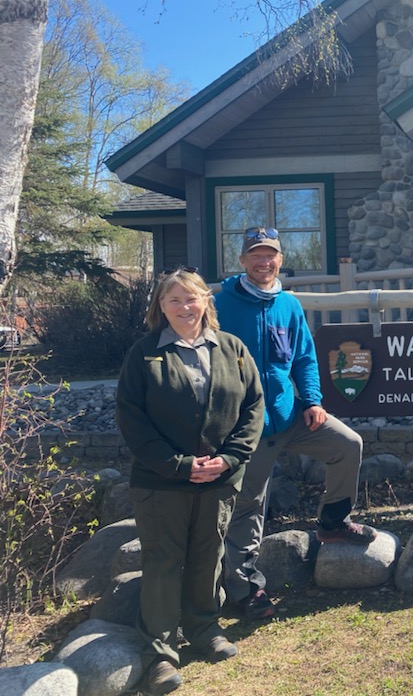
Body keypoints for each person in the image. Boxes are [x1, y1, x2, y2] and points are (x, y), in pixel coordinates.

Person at [216, 226, 377, 621]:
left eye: (270, 254)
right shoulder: (220, 304)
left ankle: (333, 522)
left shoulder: (288, 305)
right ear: (242, 261)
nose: (263, 261)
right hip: (245, 426)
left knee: (347, 445)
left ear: (280, 261)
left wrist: (313, 400)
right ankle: (244, 589)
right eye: (255, 254)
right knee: (248, 505)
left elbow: (304, 357)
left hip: (290, 416)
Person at [116, 268, 264, 695]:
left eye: (191, 299)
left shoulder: (232, 349)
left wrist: (230, 458)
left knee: (208, 554)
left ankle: (203, 629)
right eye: (174, 300)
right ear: (160, 307)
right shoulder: (144, 355)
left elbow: (253, 406)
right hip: (162, 483)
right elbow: (132, 419)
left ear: (206, 303)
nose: (184, 307)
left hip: (219, 479)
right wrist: (179, 465)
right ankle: (159, 653)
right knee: (163, 563)